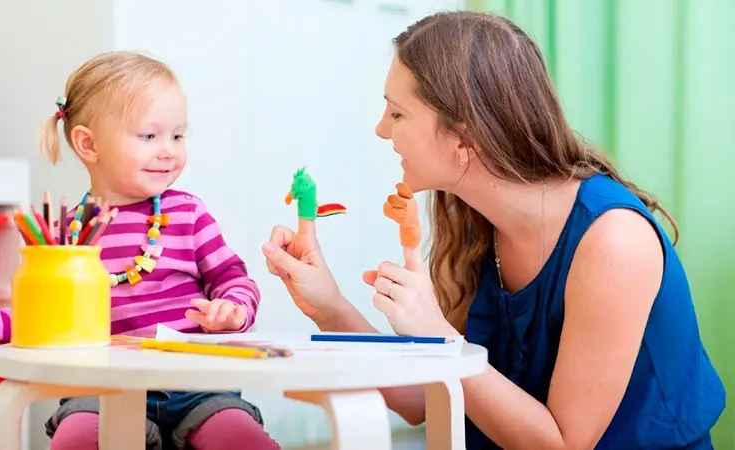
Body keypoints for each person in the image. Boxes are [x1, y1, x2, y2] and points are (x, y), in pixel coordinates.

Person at [261, 11, 725, 450]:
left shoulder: (614, 242)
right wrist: (329, 305)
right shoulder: (473, 220)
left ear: (465, 136)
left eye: (397, 114)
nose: (382, 131)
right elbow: (421, 400)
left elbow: (562, 443)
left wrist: (441, 337)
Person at [0, 51, 280, 450]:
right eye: (149, 136)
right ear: (88, 144)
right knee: (76, 440)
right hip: (100, 392)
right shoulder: (67, 235)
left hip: (200, 387)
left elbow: (234, 280)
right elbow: (39, 322)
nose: (169, 150)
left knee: (240, 439)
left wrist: (232, 311)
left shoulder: (188, 213)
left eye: (178, 135)